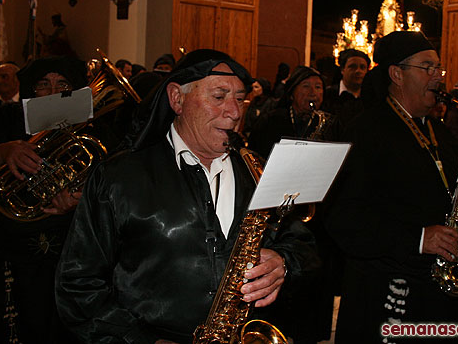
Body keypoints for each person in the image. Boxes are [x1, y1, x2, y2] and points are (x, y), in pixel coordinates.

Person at [55, 49, 318, 343]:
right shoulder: (118, 177)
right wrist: (141, 340)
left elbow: (303, 243)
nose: (235, 112)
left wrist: (284, 262)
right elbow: (78, 284)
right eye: (219, 97)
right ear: (177, 98)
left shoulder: (255, 170)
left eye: (240, 98)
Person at [325, 31, 458, 343]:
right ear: (396, 74)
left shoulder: (438, 130)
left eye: (439, 68)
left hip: (434, 290)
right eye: (427, 67)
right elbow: (343, 219)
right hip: (383, 294)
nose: (438, 77)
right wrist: (417, 238)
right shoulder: (364, 131)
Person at [0, 56, 89, 343]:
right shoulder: (5, 117)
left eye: (62, 84)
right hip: (13, 255)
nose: (53, 93)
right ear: (30, 89)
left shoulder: (94, 129)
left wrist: (82, 198)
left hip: (72, 256)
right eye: (43, 84)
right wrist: (0, 153)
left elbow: (112, 186)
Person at [248, 66, 333, 158]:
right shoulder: (270, 121)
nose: (313, 92)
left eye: (318, 87)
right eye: (306, 86)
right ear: (292, 93)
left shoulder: (329, 123)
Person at [322, 49, 370, 129]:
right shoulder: (327, 95)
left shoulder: (371, 97)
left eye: (362, 67)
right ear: (342, 70)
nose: (358, 71)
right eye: (352, 67)